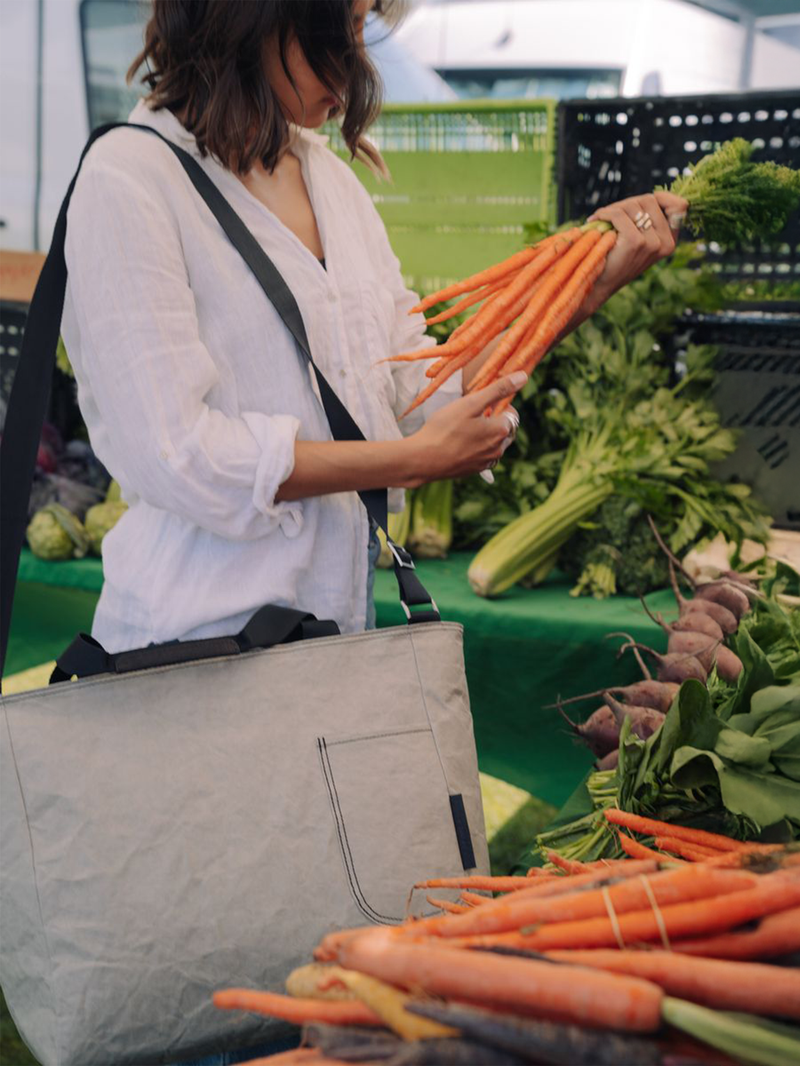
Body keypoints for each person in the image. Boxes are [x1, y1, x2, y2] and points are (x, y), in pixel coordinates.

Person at [59, 1, 687, 1060]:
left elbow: (411, 388)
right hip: (198, 664)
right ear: (249, 19)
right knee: (213, 986)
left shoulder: (332, 183)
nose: (355, 70)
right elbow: (174, 452)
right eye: (336, 32)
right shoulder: (132, 181)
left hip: (338, 661)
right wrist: (408, 464)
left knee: (334, 987)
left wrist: (586, 284)